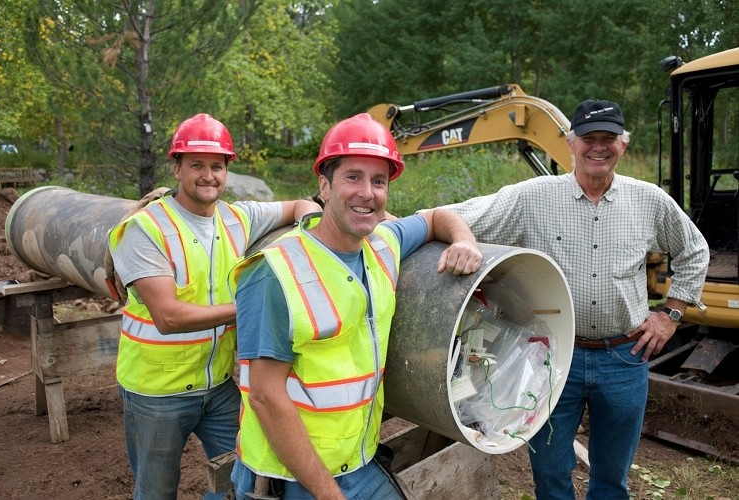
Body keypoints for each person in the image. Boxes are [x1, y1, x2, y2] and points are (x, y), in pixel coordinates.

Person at [444, 99, 709, 499]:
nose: (597, 147)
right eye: (588, 138)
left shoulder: (648, 201)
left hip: (624, 356)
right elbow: (459, 215)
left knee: (611, 475)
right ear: (570, 143)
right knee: (549, 470)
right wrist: (431, 232)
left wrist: (670, 315)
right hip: (552, 358)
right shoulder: (532, 198)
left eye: (608, 138)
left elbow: (694, 250)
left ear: (623, 145)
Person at [230, 113, 483, 499]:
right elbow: (266, 396)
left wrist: (464, 240)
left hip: (358, 460)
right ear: (324, 186)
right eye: (353, 177)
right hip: (293, 476)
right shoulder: (275, 274)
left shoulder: (383, 243)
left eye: (378, 181)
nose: (367, 192)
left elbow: (434, 217)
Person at [107, 113, 321, 500]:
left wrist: (311, 230)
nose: (208, 176)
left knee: (242, 475)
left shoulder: (238, 217)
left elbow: (300, 205)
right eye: (197, 165)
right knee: (155, 491)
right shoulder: (145, 229)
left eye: (217, 166)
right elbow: (168, 317)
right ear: (176, 168)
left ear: (227, 171)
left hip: (219, 385)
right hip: (157, 393)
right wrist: (248, 309)